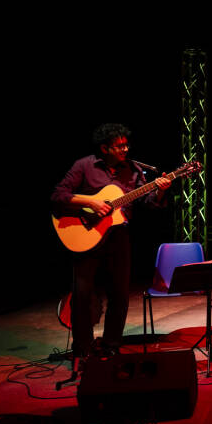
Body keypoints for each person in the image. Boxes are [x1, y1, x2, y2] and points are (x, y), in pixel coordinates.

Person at [51, 123, 170, 359]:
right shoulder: (84, 166)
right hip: (85, 235)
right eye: (119, 146)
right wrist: (91, 202)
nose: (125, 149)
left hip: (118, 237)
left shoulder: (134, 169)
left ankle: (111, 345)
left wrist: (160, 190)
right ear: (105, 148)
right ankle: (83, 349)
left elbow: (148, 203)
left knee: (120, 294)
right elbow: (58, 196)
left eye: (126, 144)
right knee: (82, 295)